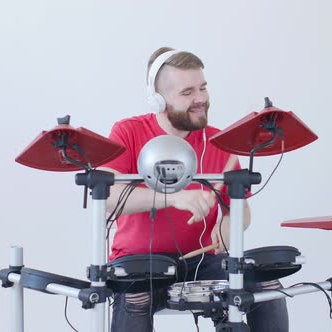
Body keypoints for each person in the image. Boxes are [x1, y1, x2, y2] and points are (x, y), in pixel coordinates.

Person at [99, 47, 288, 332]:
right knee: (135, 295)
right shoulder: (128, 131)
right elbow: (110, 196)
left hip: (203, 262)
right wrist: (172, 198)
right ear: (158, 100)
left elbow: (240, 210)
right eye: (187, 92)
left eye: (202, 88)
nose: (200, 99)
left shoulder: (220, 142)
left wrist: (228, 228)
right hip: (140, 264)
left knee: (267, 284)